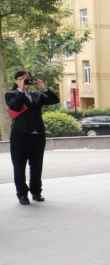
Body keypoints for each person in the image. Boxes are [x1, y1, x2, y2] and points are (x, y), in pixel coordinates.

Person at [5, 70, 59, 204]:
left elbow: (54, 100)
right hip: (19, 137)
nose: (26, 81)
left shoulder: (37, 94)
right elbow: (16, 107)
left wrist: (44, 88)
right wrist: (21, 90)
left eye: (28, 78)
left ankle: (36, 192)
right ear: (15, 81)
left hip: (38, 136)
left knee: (37, 166)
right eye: (22, 79)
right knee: (19, 167)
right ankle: (22, 194)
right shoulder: (11, 94)